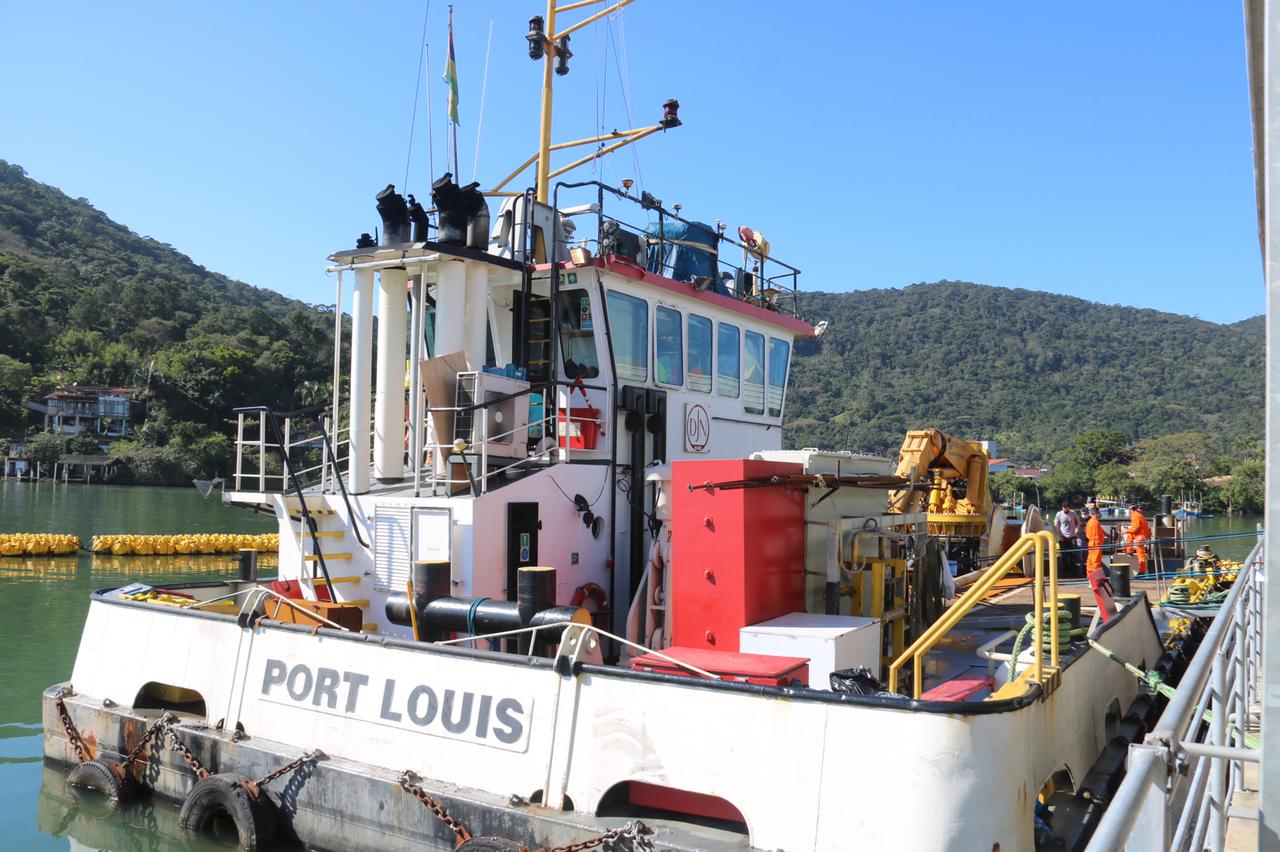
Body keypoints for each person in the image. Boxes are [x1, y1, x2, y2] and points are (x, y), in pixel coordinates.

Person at [1053, 502, 1081, 576]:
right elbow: (1056, 525)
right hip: (1063, 536)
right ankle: (1065, 569)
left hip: (1072, 536)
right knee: (1064, 554)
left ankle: (1073, 568)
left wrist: (1077, 528)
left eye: (1066, 507)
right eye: (1064, 508)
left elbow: (1078, 521)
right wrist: (1059, 536)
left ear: (1069, 507)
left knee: (1073, 553)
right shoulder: (1059, 514)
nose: (1065, 509)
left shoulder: (1073, 513)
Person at [1124, 504, 1152, 574]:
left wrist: (1125, 531)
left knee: (1140, 553)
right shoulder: (1139, 515)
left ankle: (1142, 571)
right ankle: (1129, 550)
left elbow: (1135, 528)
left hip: (1140, 536)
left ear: (1130, 510)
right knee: (1130, 535)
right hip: (1142, 534)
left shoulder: (1135, 515)